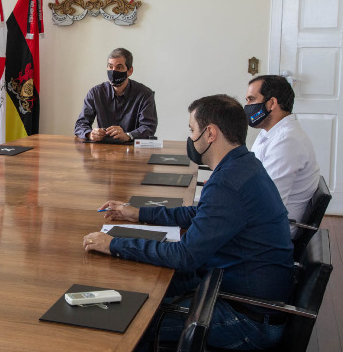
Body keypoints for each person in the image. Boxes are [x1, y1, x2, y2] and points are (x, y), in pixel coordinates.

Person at [83, 95, 294, 350]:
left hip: (247, 319)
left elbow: (184, 256)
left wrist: (114, 244)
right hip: (234, 291)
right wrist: (138, 214)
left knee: (131, 321)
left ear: (211, 134)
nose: (191, 138)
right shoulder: (243, 166)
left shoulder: (229, 183)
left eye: (192, 130)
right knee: (143, 290)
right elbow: (198, 214)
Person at [246, 75, 320, 234]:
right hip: (261, 221)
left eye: (251, 99)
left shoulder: (287, 141)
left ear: (271, 103)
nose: (247, 106)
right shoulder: (270, 132)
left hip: (269, 233)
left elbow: (266, 204)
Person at [74, 47, 157, 142]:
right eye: (110, 67)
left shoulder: (145, 94)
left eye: (119, 67)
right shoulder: (95, 93)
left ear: (130, 71)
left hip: (131, 149)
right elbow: (80, 124)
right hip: (102, 150)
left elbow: (149, 127)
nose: (113, 71)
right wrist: (89, 134)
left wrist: (128, 135)